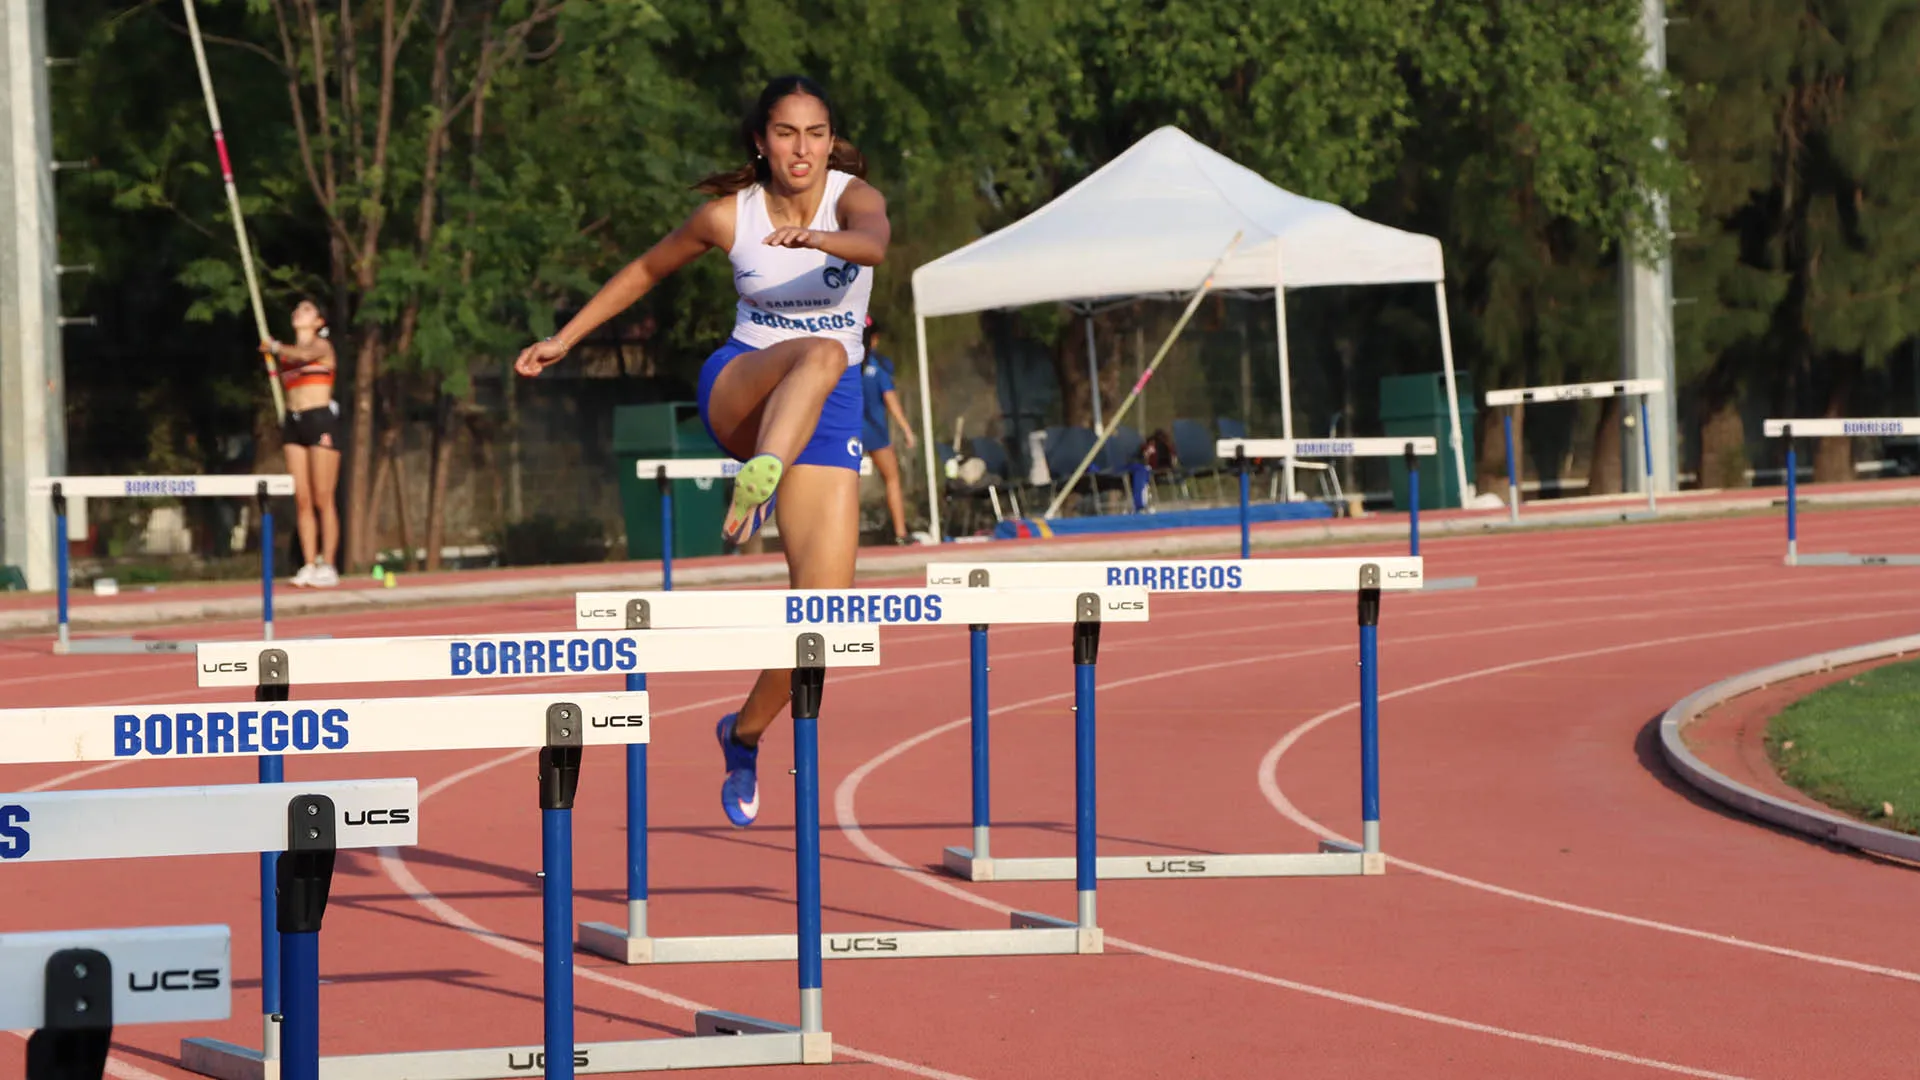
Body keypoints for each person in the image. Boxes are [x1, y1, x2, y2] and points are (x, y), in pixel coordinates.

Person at [512, 74, 888, 829]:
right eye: (787, 133)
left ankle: (743, 731)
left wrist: (817, 236)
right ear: (761, 140)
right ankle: (763, 475)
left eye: (815, 134)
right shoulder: (728, 217)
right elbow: (647, 270)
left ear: (830, 142)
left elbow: (873, 244)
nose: (802, 149)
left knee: (827, 625)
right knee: (817, 349)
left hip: (825, 408)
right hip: (743, 390)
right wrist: (565, 338)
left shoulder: (852, 197)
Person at [262, 298, 341, 588]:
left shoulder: (322, 346)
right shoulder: (289, 354)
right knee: (303, 499)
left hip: (319, 420)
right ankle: (308, 564)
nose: (298, 311)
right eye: (297, 308)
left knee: (323, 497)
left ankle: (328, 564)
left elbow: (301, 355)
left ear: (319, 322)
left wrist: (276, 347)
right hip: (293, 422)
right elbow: (286, 366)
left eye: (307, 309)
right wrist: (272, 356)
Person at [858, 317, 917, 544]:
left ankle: (845, 535)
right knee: (892, 479)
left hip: (851, 432)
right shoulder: (879, 368)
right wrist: (906, 430)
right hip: (876, 432)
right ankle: (900, 533)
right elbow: (891, 402)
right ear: (873, 339)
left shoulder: (844, 364)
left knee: (848, 485)